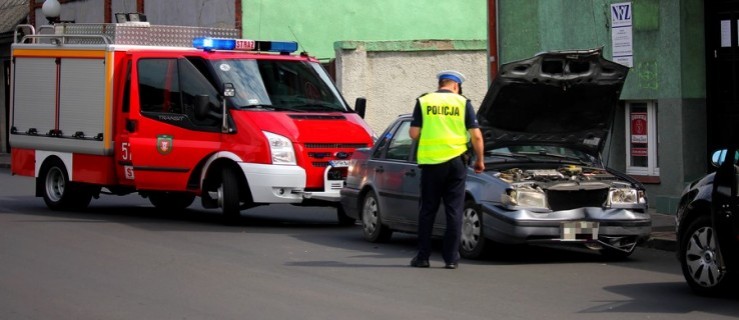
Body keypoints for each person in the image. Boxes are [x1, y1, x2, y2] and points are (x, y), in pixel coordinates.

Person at [408, 70, 485, 269]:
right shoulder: (463, 103)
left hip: (432, 164)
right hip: (456, 163)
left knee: (427, 210)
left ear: (440, 83)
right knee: (454, 209)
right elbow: (476, 136)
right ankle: (451, 259)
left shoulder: (424, 101)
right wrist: (480, 161)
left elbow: (413, 133)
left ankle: (423, 257)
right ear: (456, 86)